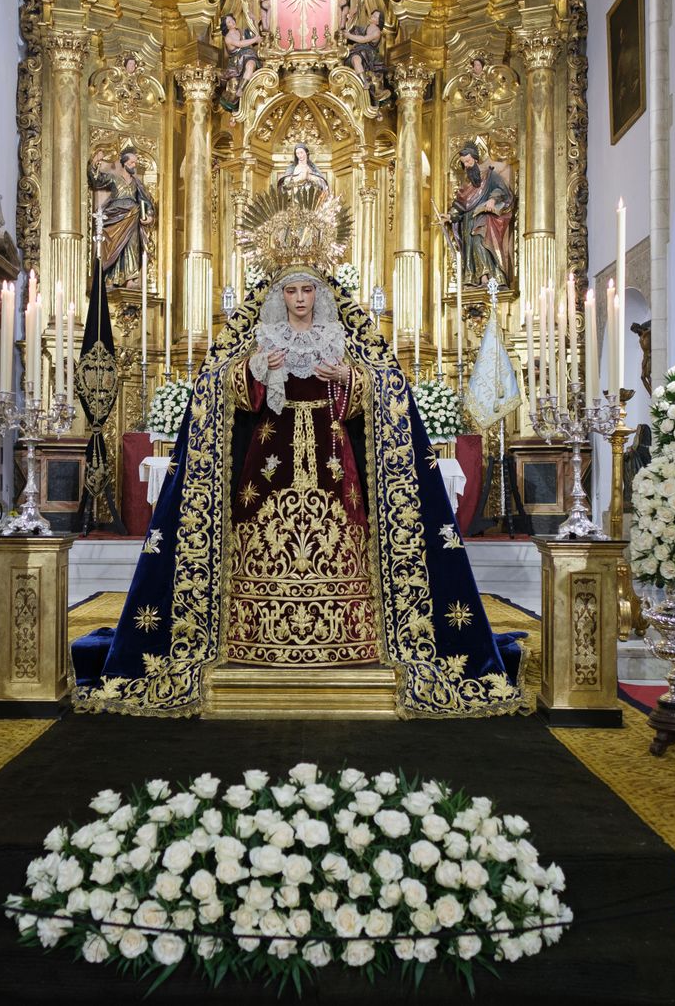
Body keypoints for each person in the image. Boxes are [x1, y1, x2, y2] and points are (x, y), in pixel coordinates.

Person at [74, 189, 523, 717]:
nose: (301, 298)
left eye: (309, 288)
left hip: (336, 467)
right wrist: (253, 372)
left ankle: (349, 635)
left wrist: (352, 382)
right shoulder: (257, 336)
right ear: (279, 294)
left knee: (346, 529)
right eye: (292, 291)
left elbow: (390, 389)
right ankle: (252, 635)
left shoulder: (344, 337)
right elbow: (214, 389)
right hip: (264, 468)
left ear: (321, 292)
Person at [87, 147, 156, 289]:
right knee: (112, 246)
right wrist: (95, 163)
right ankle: (110, 277)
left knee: (131, 246)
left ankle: (130, 278)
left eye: (135, 163)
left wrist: (149, 216)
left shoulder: (137, 184)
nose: (134, 165)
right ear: (124, 163)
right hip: (115, 217)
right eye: (131, 163)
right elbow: (97, 180)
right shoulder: (114, 178)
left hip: (133, 217)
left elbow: (147, 201)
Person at [449, 142, 516, 286]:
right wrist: (449, 216)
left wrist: (492, 199)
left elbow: (502, 189)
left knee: (480, 242)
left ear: (475, 159)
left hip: (484, 218)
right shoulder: (466, 185)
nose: (466, 165)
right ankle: (475, 278)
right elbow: (459, 205)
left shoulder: (489, 175)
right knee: (471, 248)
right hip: (468, 221)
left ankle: (488, 277)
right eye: (463, 163)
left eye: (468, 161)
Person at [219, 13, 261, 111]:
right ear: (226, 26)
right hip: (237, 62)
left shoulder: (241, 31)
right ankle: (239, 92)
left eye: (232, 20)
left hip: (249, 55)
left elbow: (256, 36)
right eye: (228, 22)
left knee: (250, 66)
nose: (232, 22)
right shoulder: (228, 38)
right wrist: (254, 39)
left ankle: (242, 89)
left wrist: (254, 21)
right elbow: (240, 44)